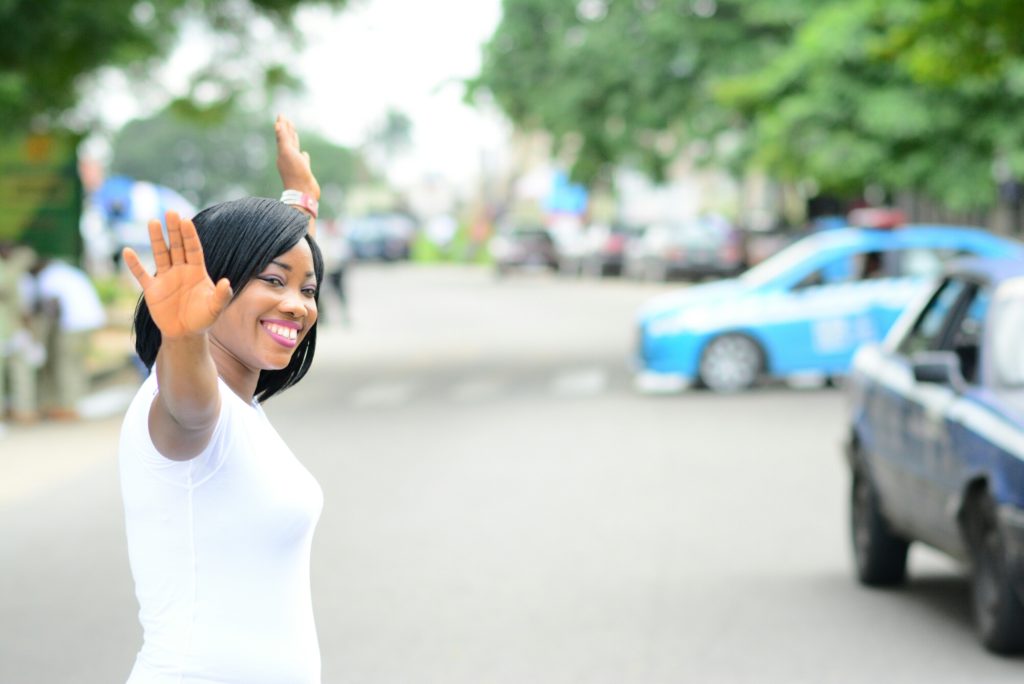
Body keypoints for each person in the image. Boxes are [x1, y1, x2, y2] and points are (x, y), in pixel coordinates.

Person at [118, 115, 325, 683]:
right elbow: (189, 408)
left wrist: (300, 202)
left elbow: (274, 266)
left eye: (307, 290)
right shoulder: (187, 408)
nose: (298, 305)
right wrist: (182, 335)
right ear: (217, 283)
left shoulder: (242, 405)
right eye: (273, 280)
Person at [22, 255, 106, 419]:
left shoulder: (49, 276)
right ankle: (75, 402)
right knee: (76, 363)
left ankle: (68, 407)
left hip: (73, 324)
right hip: (90, 321)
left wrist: (41, 327)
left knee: (66, 364)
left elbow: (53, 307)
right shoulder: (66, 272)